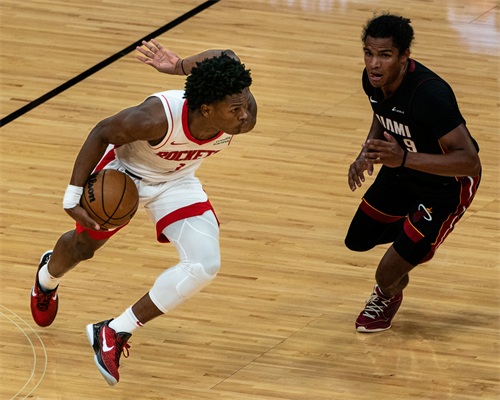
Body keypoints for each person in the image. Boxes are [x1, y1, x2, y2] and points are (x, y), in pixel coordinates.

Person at [30, 39, 257, 385]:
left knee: (205, 265)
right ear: (207, 109)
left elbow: (227, 55)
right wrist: (72, 196)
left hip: (178, 181)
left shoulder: (241, 110)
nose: (245, 115)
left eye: (245, 103)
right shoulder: (155, 118)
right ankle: (47, 279)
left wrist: (179, 65)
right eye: (236, 109)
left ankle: (113, 331)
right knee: (82, 249)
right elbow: (102, 132)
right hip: (125, 176)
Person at [345, 13, 481, 333]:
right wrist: (367, 151)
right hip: (402, 169)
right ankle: (415, 239)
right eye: (368, 53)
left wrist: (403, 158)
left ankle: (387, 295)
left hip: (445, 186)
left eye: (385, 55)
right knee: (358, 240)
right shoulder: (373, 80)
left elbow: (470, 162)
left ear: (405, 56)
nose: (374, 64)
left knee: (386, 274)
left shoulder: (430, 96)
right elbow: (382, 114)